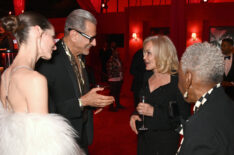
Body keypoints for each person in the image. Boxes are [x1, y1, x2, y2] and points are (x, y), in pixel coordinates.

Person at [0, 12, 83, 155]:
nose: (55, 45)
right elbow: (45, 148)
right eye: (52, 37)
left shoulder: (6, 74)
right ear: (38, 31)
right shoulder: (34, 79)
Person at [36, 9, 114, 153]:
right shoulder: (49, 61)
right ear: (74, 35)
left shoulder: (80, 56)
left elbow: (75, 94)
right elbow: (45, 112)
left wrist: (91, 103)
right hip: (61, 143)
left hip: (82, 138)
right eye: (91, 38)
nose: (95, 43)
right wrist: (82, 102)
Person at [129, 35, 190, 155]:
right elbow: (143, 104)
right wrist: (135, 115)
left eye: (148, 53)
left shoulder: (176, 83)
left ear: (162, 54)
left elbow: (182, 119)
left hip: (164, 145)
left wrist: (154, 112)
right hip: (144, 141)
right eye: (144, 53)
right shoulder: (147, 76)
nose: (143, 57)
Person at [177, 42, 234, 155]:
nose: (178, 83)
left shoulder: (200, 126)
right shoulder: (226, 103)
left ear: (188, 78)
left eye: (179, 76)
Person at [106, 43, 124, 111]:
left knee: (117, 93)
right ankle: (111, 107)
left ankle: (118, 104)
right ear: (113, 53)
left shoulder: (118, 59)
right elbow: (109, 70)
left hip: (119, 79)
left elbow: (121, 68)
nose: (118, 53)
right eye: (116, 52)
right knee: (112, 94)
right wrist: (118, 70)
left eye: (118, 52)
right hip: (113, 79)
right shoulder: (111, 60)